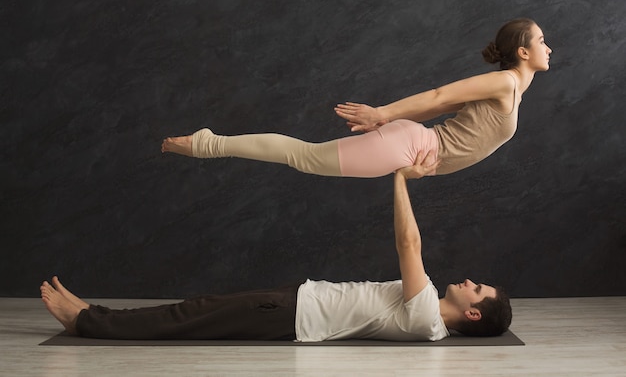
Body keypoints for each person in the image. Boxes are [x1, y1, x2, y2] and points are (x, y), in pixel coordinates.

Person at [41, 151, 512, 341]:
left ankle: (84, 320)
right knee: (196, 312)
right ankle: (91, 313)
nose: (469, 281)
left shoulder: (427, 313)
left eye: (477, 289)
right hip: (298, 303)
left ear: (472, 312)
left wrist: (400, 177)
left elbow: (409, 242)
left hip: (291, 312)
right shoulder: (429, 324)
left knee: (192, 314)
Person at [161, 18, 551, 177]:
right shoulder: (506, 85)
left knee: (306, 156)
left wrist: (388, 118)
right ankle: (208, 143)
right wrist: (382, 113)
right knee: (305, 156)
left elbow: (441, 105)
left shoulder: (510, 91)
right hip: (412, 145)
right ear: (521, 52)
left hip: (415, 147)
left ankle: (208, 143)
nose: (547, 48)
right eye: (541, 41)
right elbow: (439, 93)